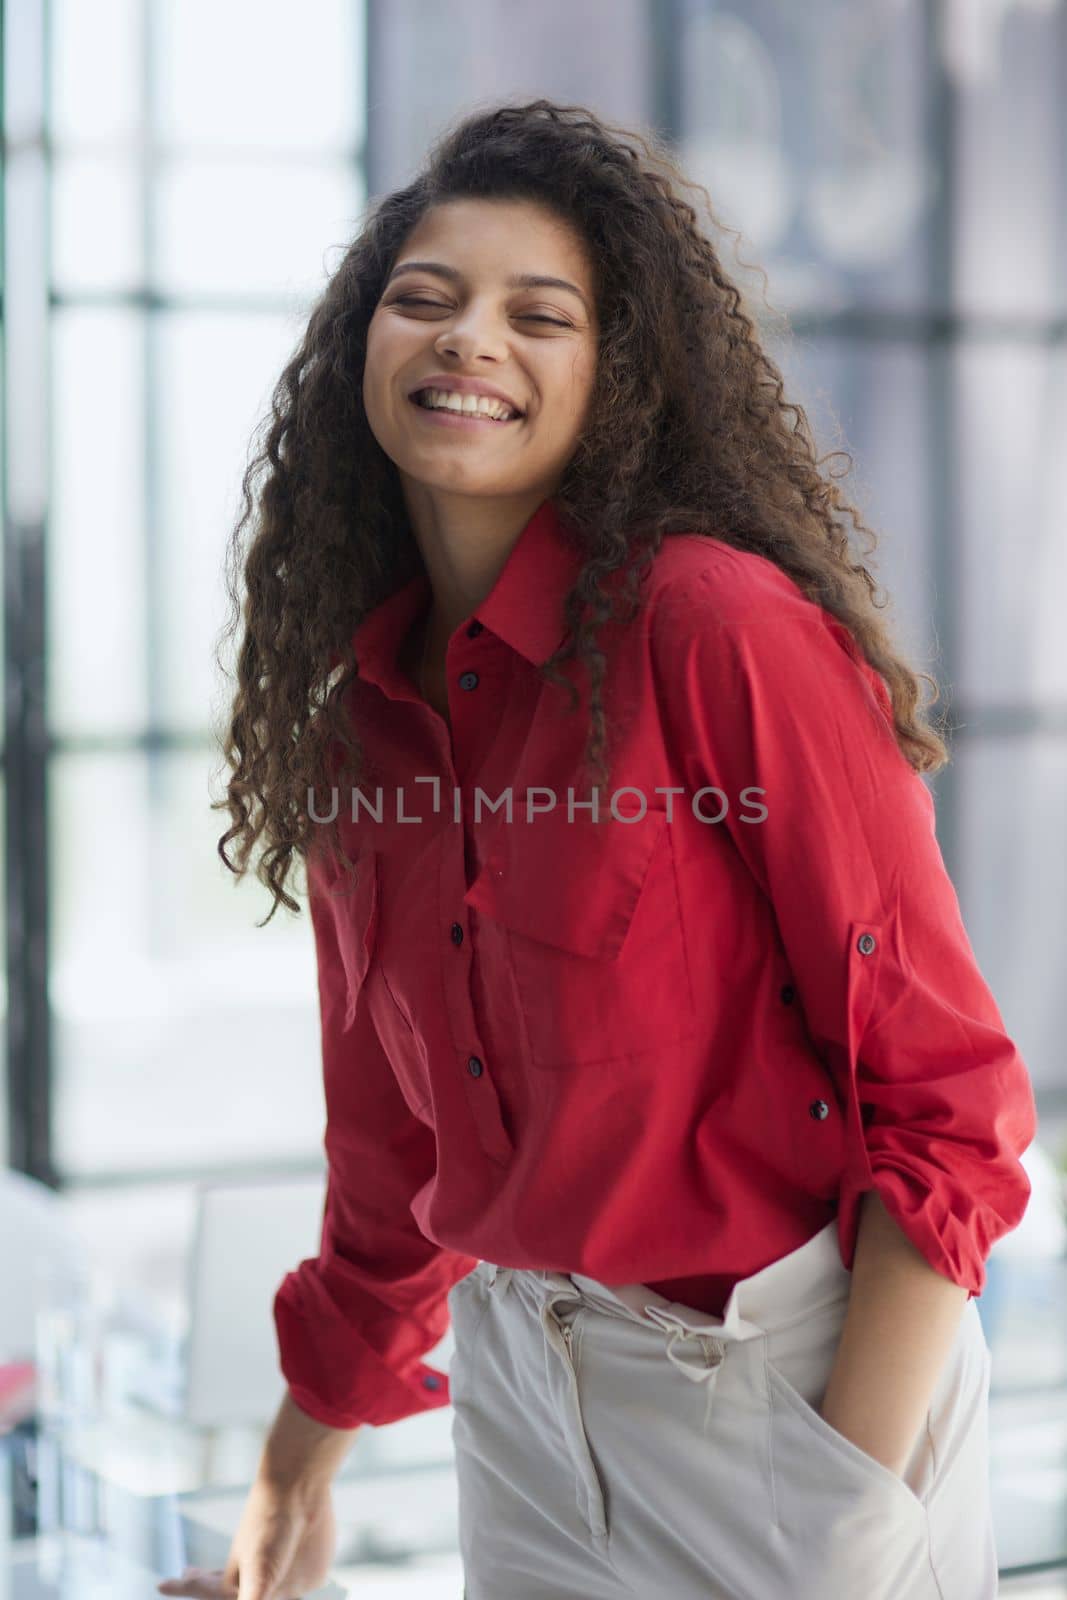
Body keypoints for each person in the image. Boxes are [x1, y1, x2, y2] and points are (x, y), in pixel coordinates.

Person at [159, 99, 1037, 1600]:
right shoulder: (360, 730)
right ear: (360, 352)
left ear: (612, 376)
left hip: (789, 1407)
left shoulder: (718, 629)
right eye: (423, 300)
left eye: (537, 314)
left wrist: (843, 1506)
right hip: (521, 1416)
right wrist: (287, 1479)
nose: (466, 339)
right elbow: (391, 1173)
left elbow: (948, 1111)